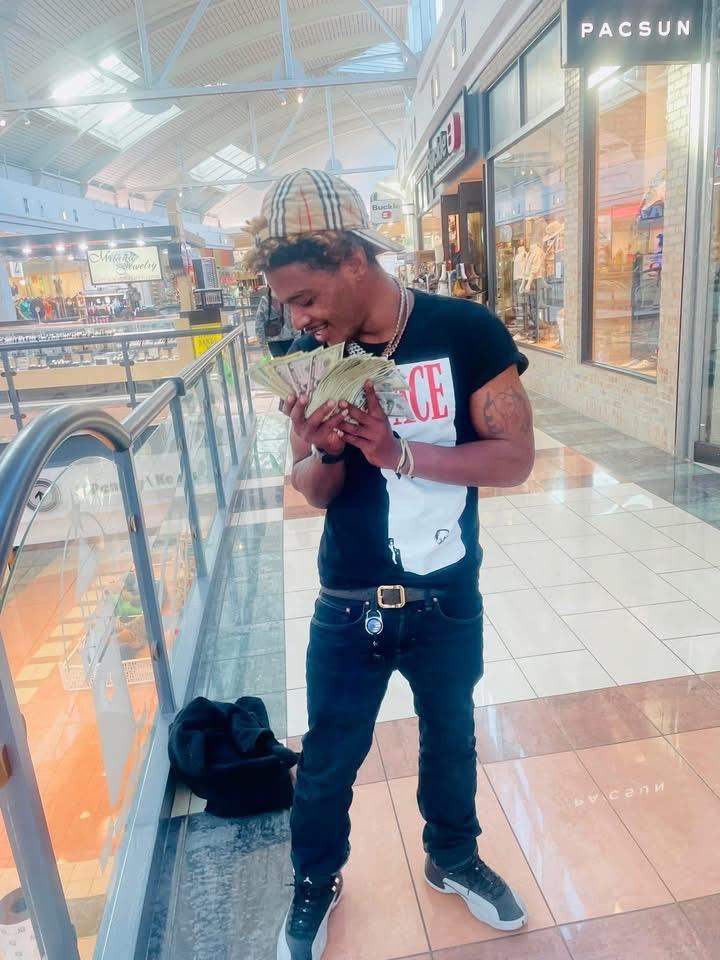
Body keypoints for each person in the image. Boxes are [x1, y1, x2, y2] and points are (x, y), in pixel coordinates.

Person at [247, 169, 535, 960]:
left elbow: (515, 459)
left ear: (353, 259)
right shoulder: (310, 358)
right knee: (328, 758)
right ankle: (316, 881)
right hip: (349, 599)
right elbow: (313, 491)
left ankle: (453, 857)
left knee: (452, 737)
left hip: (446, 595)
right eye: (287, 306)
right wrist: (326, 450)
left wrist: (401, 454)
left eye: (306, 298)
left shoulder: (465, 331)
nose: (298, 320)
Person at [255, 284, 296, 358]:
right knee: (280, 362)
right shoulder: (265, 301)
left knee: (291, 362)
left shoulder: (286, 299)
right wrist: (263, 347)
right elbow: (259, 323)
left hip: (289, 338)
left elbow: (294, 320)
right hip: (273, 341)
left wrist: (297, 339)